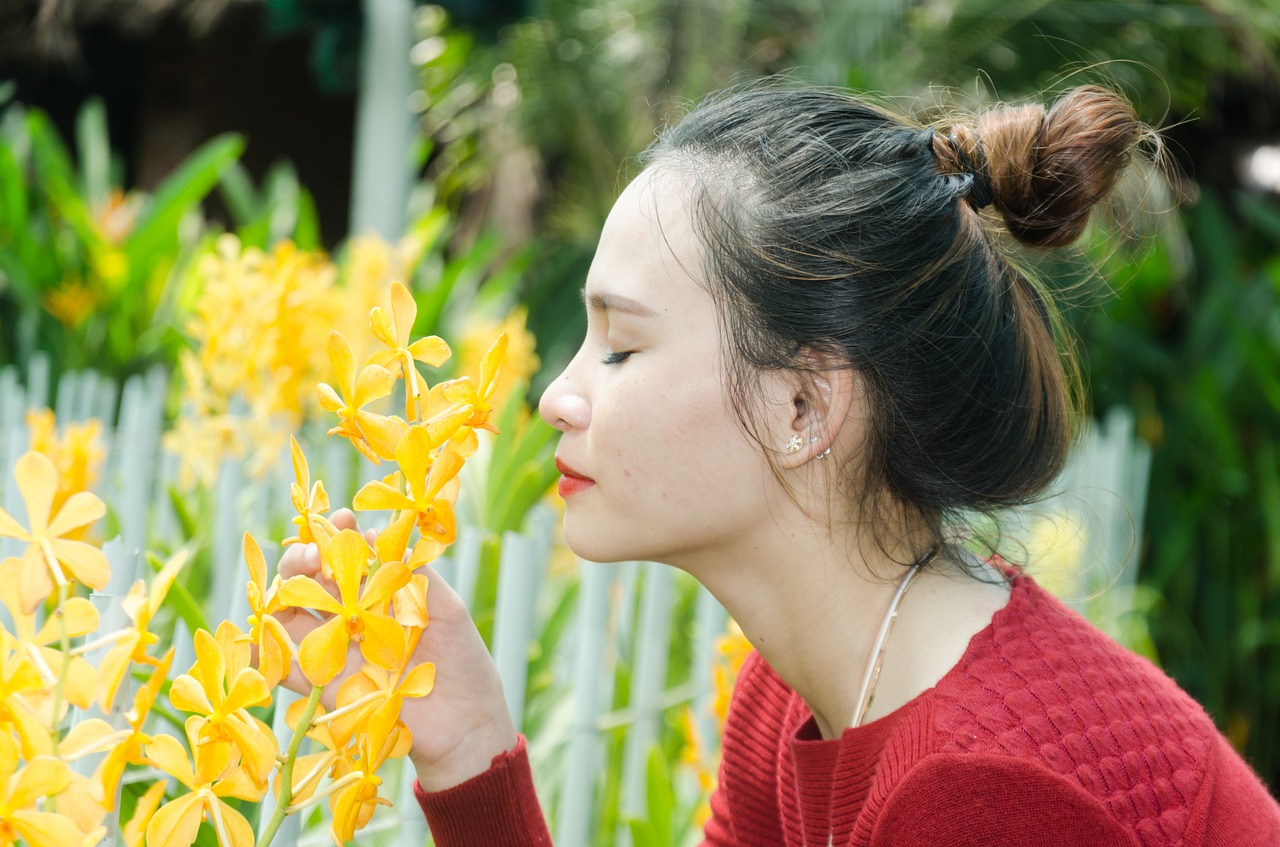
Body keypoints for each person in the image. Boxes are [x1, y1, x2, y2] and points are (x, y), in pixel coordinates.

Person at [278, 83, 1280, 845]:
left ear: (803, 403)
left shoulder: (978, 791)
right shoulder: (796, 694)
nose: (556, 395)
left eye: (619, 346)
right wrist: (467, 747)